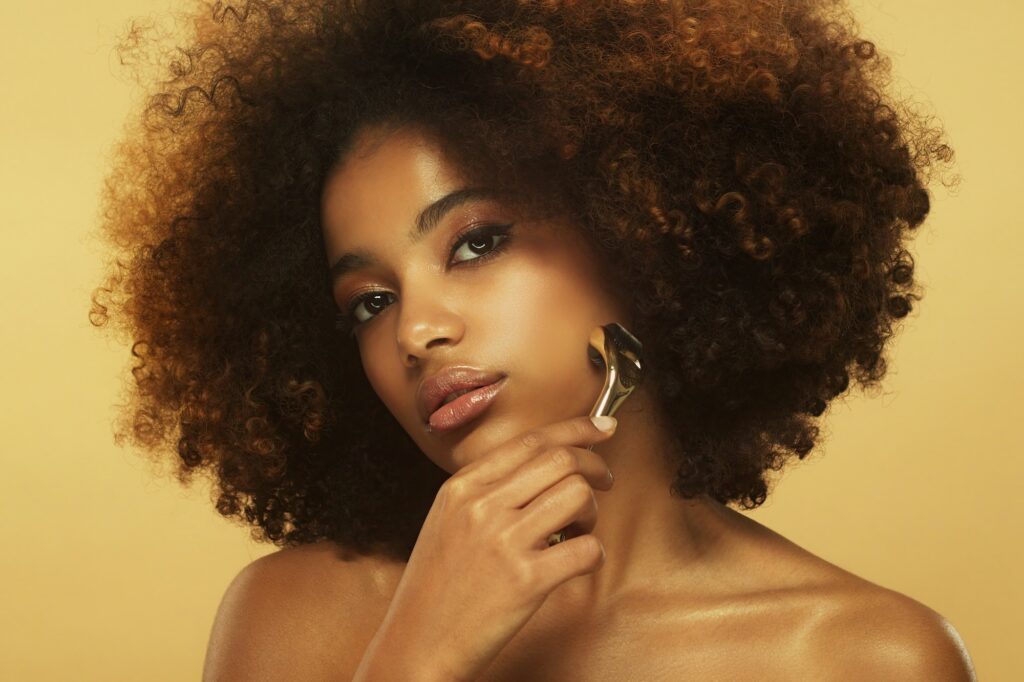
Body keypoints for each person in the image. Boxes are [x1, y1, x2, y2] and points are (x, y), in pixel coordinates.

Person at [90, 0, 973, 679]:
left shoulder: (865, 656)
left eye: (476, 243)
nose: (417, 331)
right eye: (370, 301)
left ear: (639, 233)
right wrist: (419, 655)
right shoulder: (302, 616)